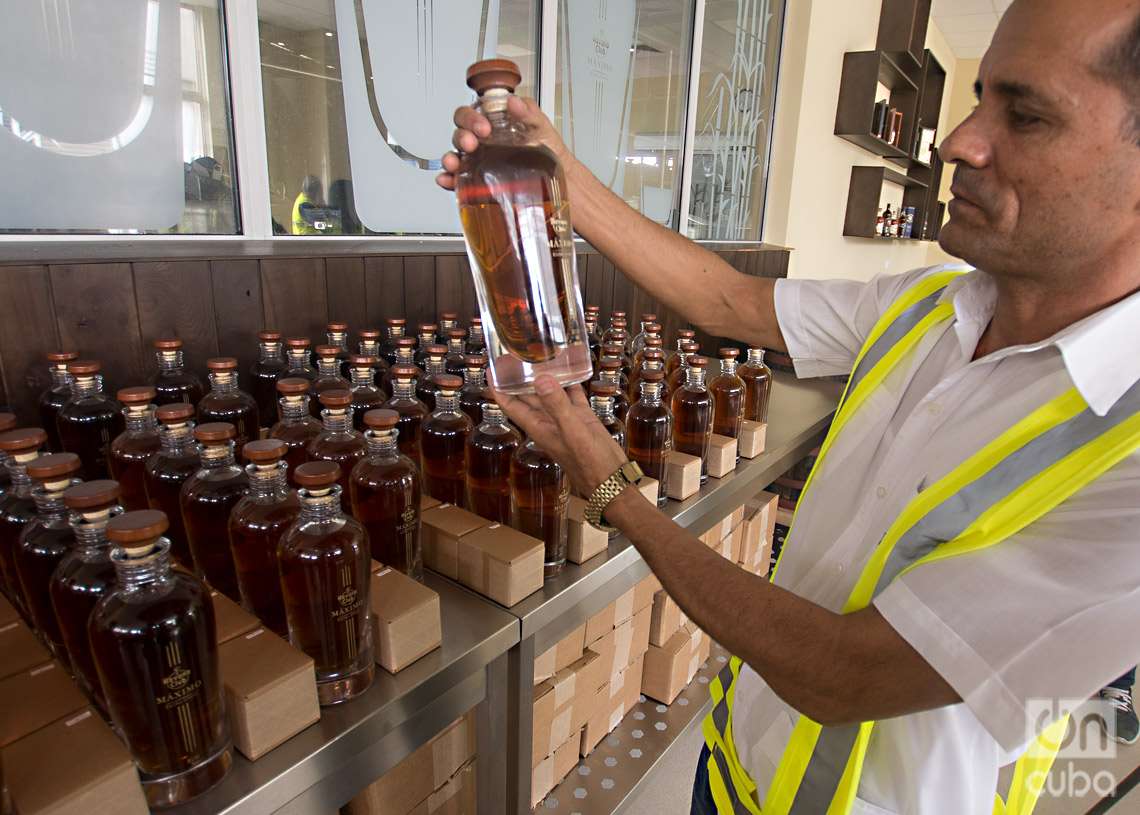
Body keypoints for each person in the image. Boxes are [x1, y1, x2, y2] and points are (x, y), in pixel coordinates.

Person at [438, 0, 1140, 812]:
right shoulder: (928, 306)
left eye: (1024, 114)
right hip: (732, 768)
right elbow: (732, 301)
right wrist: (552, 170)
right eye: (979, 96)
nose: (959, 141)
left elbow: (845, 671)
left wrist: (612, 487)